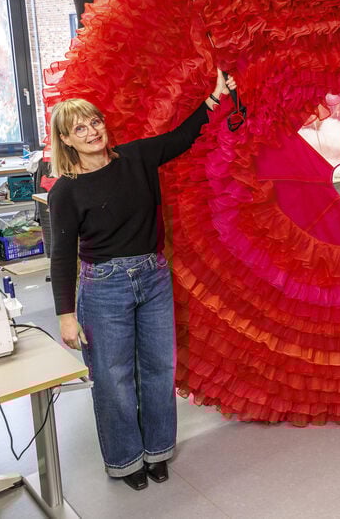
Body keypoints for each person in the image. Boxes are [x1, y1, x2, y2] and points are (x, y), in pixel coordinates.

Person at [48, 68, 235, 491]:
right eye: (80, 128)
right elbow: (62, 255)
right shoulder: (65, 191)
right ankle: (125, 461)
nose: (93, 131)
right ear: (67, 140)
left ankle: (157, 453)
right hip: (103, 287)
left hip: (152, 277)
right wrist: (65, 315)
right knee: (113, 378)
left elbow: (183, 137)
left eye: (95, 121)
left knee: (158, 368)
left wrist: (216, 98)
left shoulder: (136, 157)